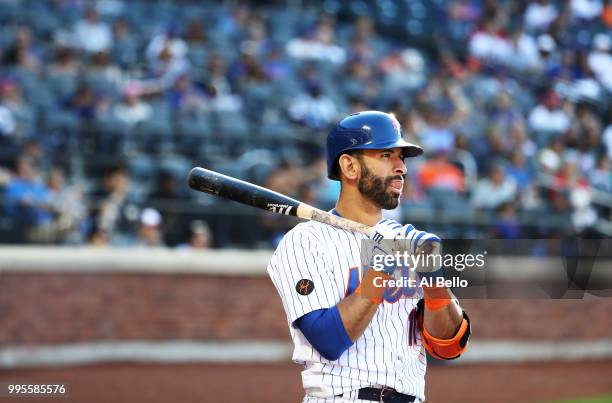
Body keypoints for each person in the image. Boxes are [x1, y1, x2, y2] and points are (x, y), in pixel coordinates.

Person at [267, 111, 471, 402]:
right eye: (387, 155)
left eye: (402, 157)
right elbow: (328, 340)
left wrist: (434, 281)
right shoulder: (305, 241)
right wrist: (381, 269)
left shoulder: (405, 238)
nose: (401, 167)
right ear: (350, 166)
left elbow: (448, 347)